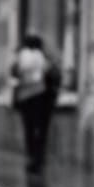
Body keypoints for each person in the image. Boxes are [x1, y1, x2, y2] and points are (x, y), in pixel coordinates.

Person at [11, 32, 60, 175]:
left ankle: (32, 157)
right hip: (44, 99)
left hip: (26, 98)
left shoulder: (22, 56)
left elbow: (14, 73)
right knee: (42, 130)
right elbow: (54, 75)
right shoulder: (45, 58)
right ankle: (39, 157)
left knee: (29, 129)